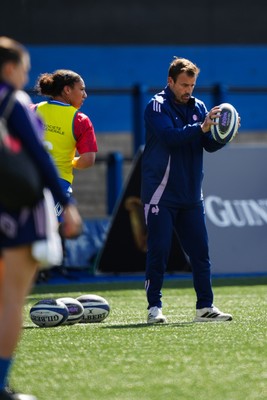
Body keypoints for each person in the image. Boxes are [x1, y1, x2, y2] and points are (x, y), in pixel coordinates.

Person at [0, 37, 82, 400]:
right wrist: (66, 202)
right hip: (18, 209)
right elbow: (39, 156)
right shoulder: (14, 101)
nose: (26, 75)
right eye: (24, 68)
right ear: (9, 69)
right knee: (11, 301)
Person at [141, 56, 238, 324]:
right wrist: (202, 127)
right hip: (161, 192)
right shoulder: (156, 106)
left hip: (191, 194)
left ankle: (205, 307)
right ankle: (154, 308)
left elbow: (207, 143)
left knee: (200, 252)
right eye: (184, 84)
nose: (188, 90)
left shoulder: (199, 106)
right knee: (159, 250)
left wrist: (222, 135)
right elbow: (171, 138)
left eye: (192, 85)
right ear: (170, 81)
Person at [33, 69, 98, 222]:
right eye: (81, 89)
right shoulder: (80, 120)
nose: (85, 95)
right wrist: (71, 162)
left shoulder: (32, 110)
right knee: (54, 233)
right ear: (67, 90)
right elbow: (88, 160)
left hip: (28, 179)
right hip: (58, 184)